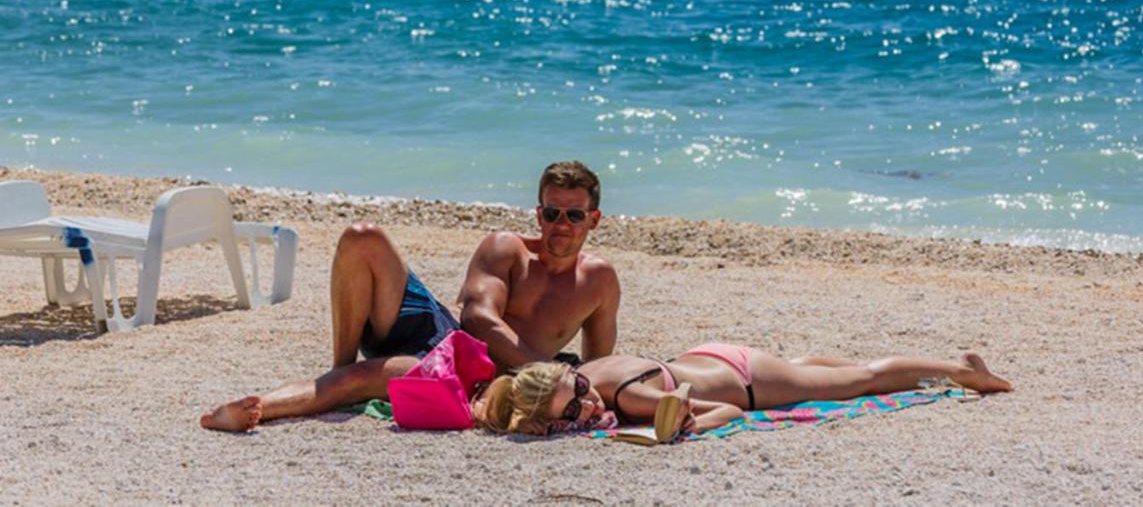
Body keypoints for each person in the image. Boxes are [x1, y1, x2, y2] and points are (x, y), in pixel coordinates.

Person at [201, 161, 621, 432]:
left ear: (594, 220)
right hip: (447, 333)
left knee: (363, 379)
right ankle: (337, 370)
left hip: (474, 378)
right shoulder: (507, 248)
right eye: (551, 213)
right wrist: (546, 368)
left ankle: (257, 408)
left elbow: (600, 365)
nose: (560, 224)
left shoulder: (599, 280)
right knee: (362, 237)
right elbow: (477, 319)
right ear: (539, 214)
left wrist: (580, 392)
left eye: (574, 215)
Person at [473, 345, 1012, 436]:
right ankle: (958, 367)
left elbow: (729, 411)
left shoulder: (632, 400)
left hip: (749, 382)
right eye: (577, 404)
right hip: (710, 358)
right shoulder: (596, 370)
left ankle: (964, 371)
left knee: (861, 381)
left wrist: (685, 426)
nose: (589, 401)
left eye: (582, 387)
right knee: (816, 370)